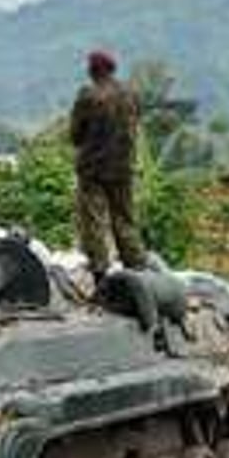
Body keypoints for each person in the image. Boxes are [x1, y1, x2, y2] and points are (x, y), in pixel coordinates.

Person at [70, 50, 145, 288]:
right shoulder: (131, 94)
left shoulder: (87, 96)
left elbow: (75, 136)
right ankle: (136, 269)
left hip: (92, 170)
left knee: (94, 222)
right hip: (123, 169)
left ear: (93, 70)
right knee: (124, 219)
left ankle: (101, 275)